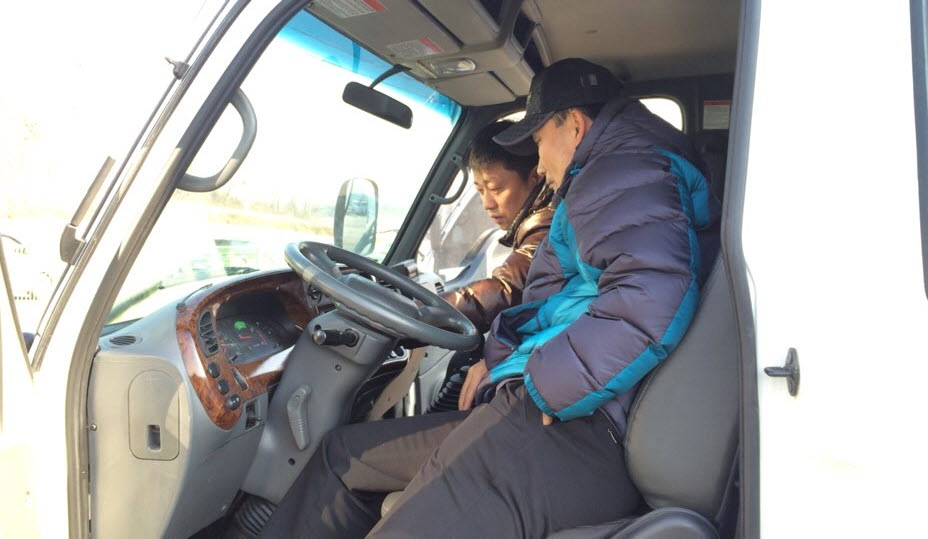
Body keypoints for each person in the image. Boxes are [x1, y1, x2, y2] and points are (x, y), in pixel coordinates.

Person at [261, 58, 714, 538]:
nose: (538, 163)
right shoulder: (620, 176)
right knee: (341, 459)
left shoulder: (621, 172)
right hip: (558, 406)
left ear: (575, 126)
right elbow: (574, 302)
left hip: (574, 422)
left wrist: (546, 382)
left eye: (539, 142)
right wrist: (501, 364)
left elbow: (649, 296)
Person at [439, 120, 555, 410]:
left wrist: (425, 311)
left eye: (496, 188)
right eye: (480, 190)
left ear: (535, 177)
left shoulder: (548, 225)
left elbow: (506, 289)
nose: (487, 203)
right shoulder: (538, 221)